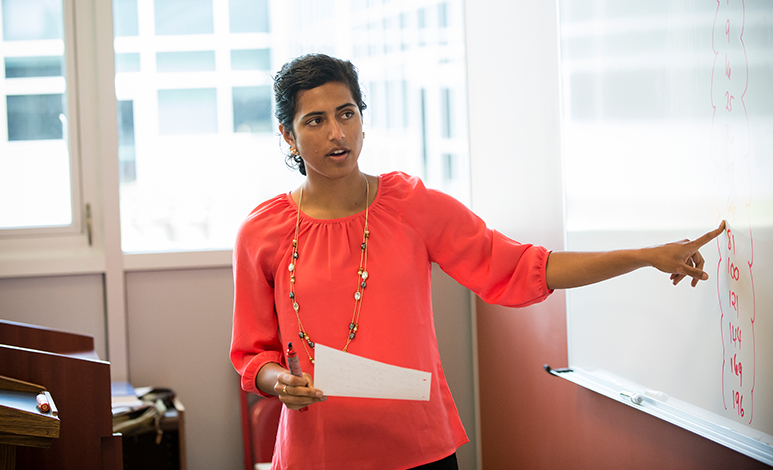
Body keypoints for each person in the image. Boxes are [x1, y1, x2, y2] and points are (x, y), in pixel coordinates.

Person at [230, 53, 724, 470]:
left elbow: (524, 265)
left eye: (347, 112)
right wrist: (281, 383)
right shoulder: (262, 232)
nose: (337, 132)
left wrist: (645, 257)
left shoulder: (411, 205)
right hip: (316, 452)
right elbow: (253, 353)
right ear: (288, 136)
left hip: (419, 449)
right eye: (315, 120)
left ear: (363, 116)